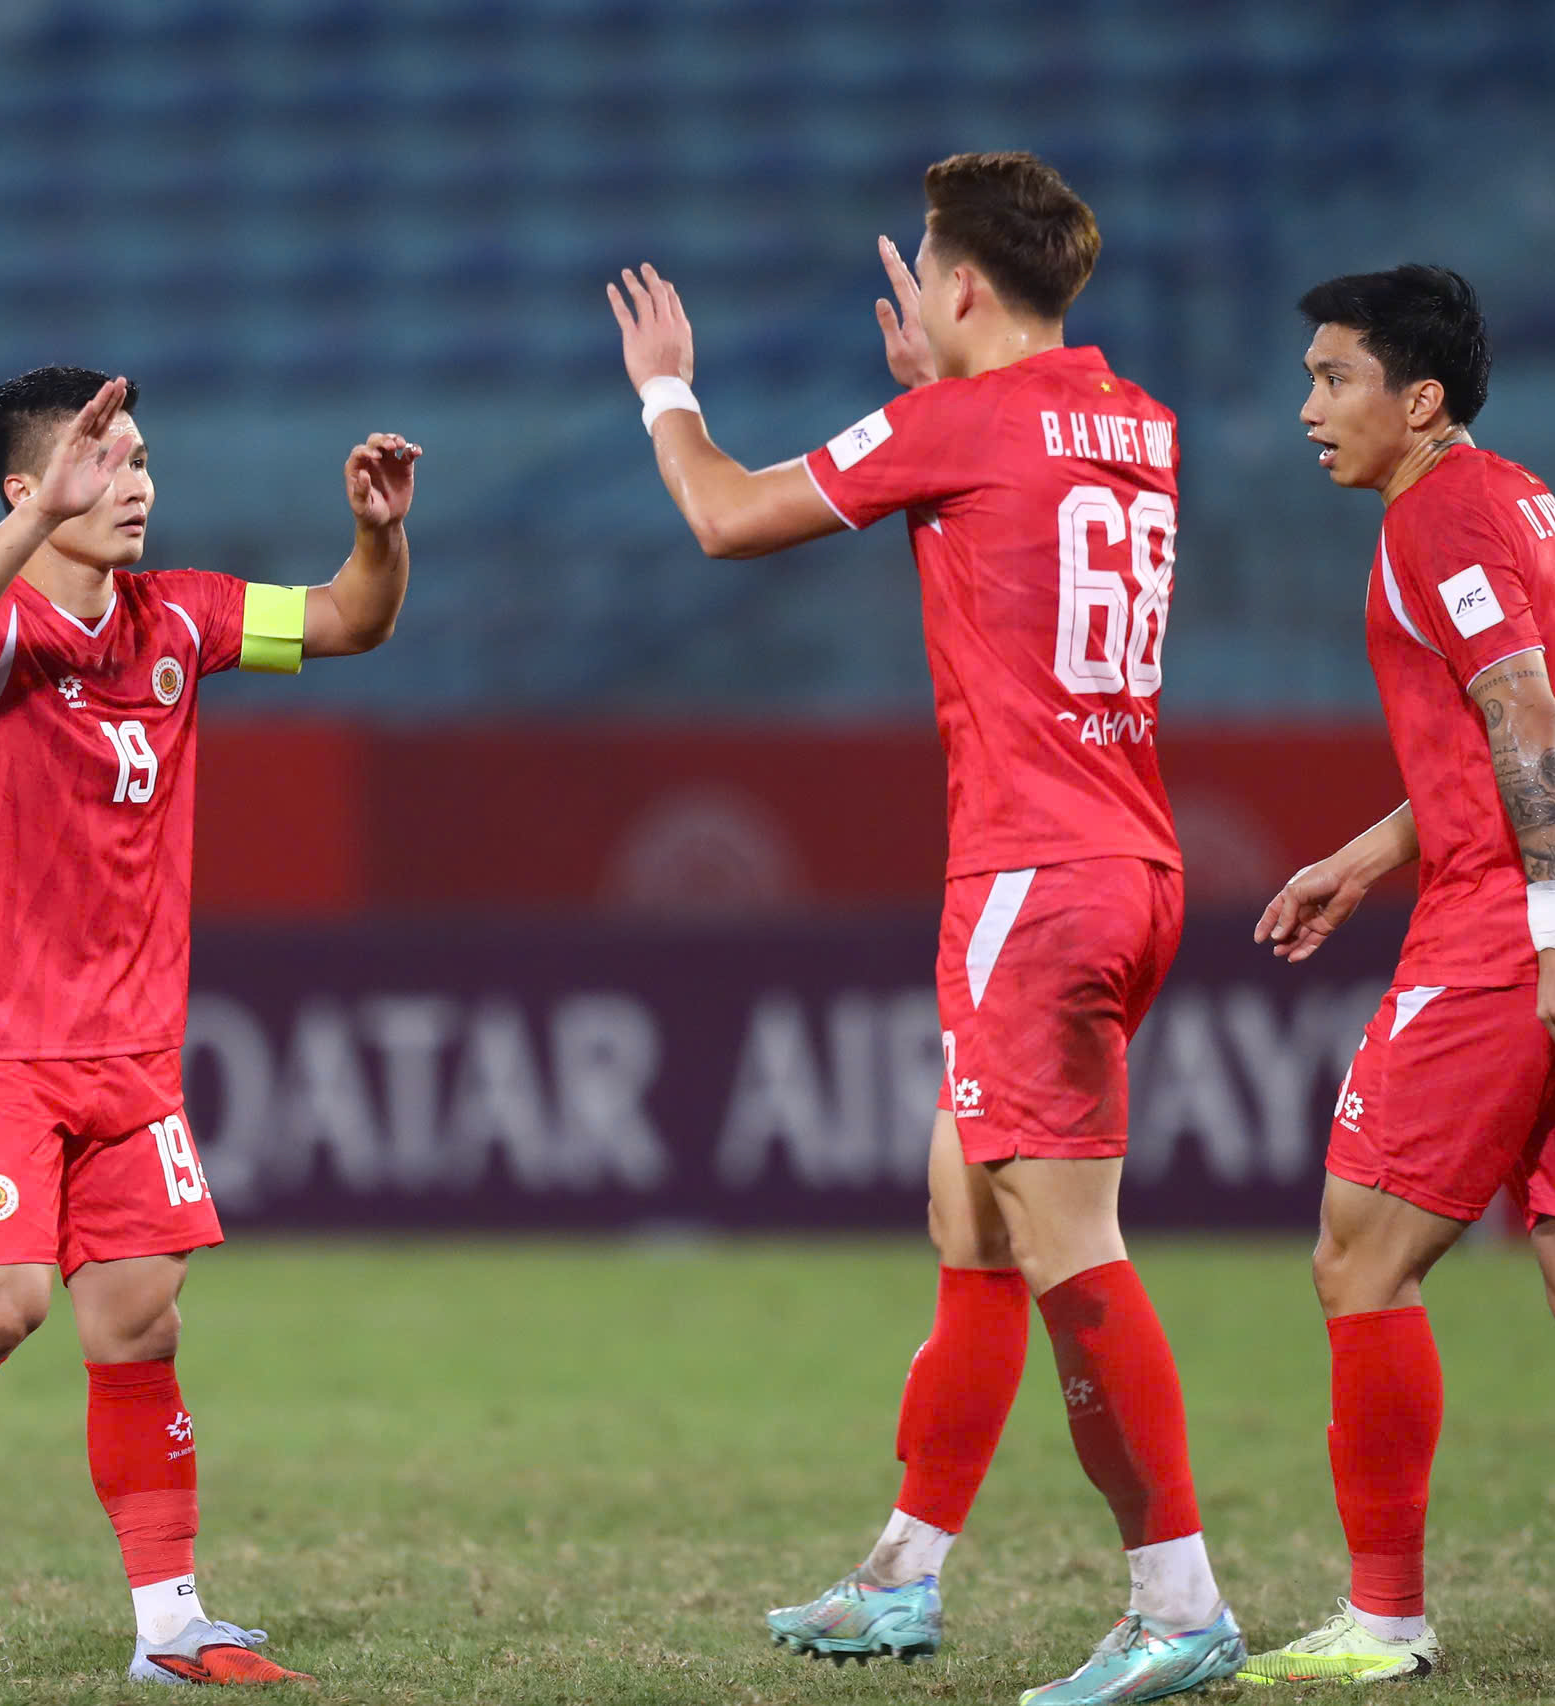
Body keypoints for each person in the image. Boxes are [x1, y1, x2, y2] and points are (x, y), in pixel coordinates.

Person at [607, 151, 1242, 1705]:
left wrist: (666, 393)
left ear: (959, 285)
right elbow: (1020, 497)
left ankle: (1180, 1601)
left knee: (1066, 1239)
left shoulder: (958, 420)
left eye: (933, 279)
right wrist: (943, 388)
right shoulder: (1143, 424)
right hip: (1131, 858)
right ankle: (903, 1572)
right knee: (968, 1212)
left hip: (1029, 877)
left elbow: (724, 515)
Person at [0, 365, 419, 1686]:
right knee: (7, 1298)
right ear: (33, 490)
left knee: (139, 1316)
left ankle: (169, 1624)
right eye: (104, 459)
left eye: (140, 457)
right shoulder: (1, 632)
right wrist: (28, 531)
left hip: (130, 1048)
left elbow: (347, 623)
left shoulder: (183, 618)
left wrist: (378, 535)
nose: (135, 479)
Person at [1243, 266, 1555, 1686]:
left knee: (1359, 1257)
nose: (1307, 409)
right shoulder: (1521, 495)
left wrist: (1541, 934)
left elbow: (1527, 712)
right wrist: (1367, 857)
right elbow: (1517, 729)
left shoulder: (1441, 517)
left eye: (1333, 377)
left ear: (1417, 400)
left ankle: (1384, 1619)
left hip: (1511, 947)